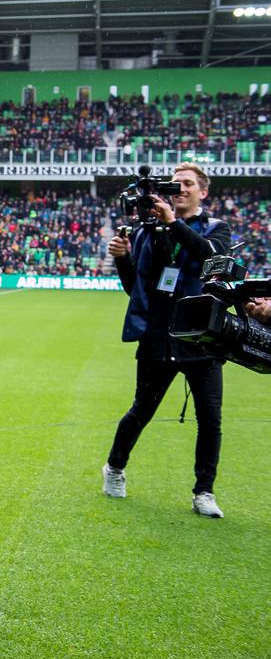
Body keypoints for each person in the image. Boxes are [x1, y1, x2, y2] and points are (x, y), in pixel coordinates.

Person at [103, 162, 230, 518]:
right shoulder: (149, 231)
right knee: (141, 410)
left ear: (203, 192)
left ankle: (204, 491)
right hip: (159, 335)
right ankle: (114, 468)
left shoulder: (217, 229)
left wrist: (173, 223)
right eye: (175, 184)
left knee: (210, 418)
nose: (181, 188)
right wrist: (122, 259)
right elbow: (136, 289)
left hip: (203, 336)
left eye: (188, 183)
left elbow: (212, 258)